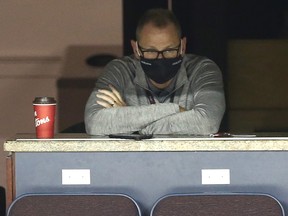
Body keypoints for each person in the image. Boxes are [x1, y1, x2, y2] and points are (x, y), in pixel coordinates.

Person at [85, 8, 225, 135]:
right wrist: (176, 110)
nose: (160, 58)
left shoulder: (202, 69)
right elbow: (94, 123)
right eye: (151, 51)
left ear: (183, 46)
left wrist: (132, 125)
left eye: (169, 50)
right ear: (136, 49)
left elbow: (207, 124)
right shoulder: (119, 70)